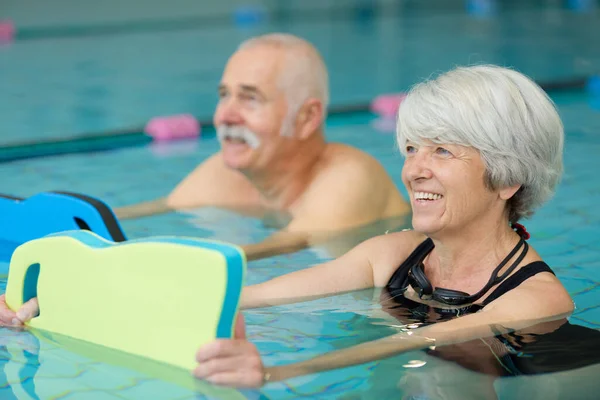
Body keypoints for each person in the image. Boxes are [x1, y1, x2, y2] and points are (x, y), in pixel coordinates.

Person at [0, 65, 579, 392]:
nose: (414, 168)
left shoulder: (536, 298)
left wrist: (276, 371)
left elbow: (411, 341)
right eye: (411, 147)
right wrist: (50, 303)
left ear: (507, 179)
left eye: (443, 151)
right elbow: (247, 293)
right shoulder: (391, 254)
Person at [114, 33, 410, 260]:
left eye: (250, 98)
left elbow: (274, 252)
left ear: (306, 118)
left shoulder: (349, 177)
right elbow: (153, 212)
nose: (225, 115)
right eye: (224, 95)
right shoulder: (230, 171)